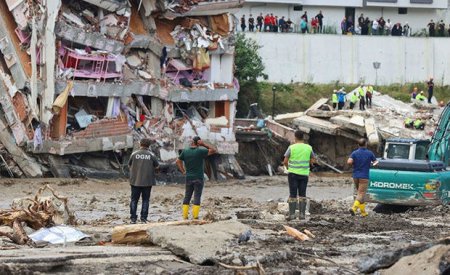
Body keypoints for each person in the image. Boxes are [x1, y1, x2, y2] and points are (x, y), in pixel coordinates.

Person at [176, 136, 217, 220]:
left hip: (189, 177)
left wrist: (183, 171)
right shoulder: (200, 151)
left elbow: (178, 161)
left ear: (192, 142)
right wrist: (204, 144)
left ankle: (185, 216)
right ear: (198, 142)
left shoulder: (185, 151)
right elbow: (214, 150)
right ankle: (195, 216)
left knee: (187, 196)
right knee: (197, 196)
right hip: (198, 177)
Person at [283, 130, 316, 220]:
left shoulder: (291, 147)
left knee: (293, 194)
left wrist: (288, 168)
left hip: (293, 173)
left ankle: (292, 215)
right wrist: (309, 164)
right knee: (302, 194)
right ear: (303, 137)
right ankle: (302, 215)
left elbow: (285, 161)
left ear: (295, 137)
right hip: (304, 174)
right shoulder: (309, 148)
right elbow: (313, 160)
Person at [128, 138, 159, 224]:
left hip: (135, 181)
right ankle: (143, 219)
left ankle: (133, 219)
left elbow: (129, 165)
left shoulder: (134, 154)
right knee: (145, 200)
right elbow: (157, 167)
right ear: (149, 145)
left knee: (134, 200)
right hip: (147, 182)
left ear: (140, 144)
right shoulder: (151, 155)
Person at [347, 138, 378, 217]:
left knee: (360, 194)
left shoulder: (354, 153)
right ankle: (354, 208)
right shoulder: (370, 153)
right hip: (364, 176)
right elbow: (375, 163)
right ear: (366, 144)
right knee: (361, 194)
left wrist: (354, 164)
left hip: (355, 176)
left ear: (358, 145)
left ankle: (363, 212)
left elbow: (349, 162)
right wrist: (373, 164)